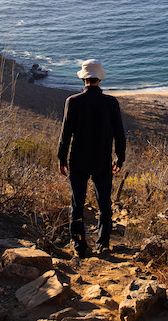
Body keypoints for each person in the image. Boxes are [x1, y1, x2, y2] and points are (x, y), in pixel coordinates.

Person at [57, 59, 126, 257]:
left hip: (78, 160)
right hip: (103, 160)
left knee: (76, 204)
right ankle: (103, 242)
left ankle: (79, 245)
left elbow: (65, 134)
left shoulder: (73, 102)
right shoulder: (111, 103)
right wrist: (119, 159)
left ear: (84, 78)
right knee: (104, 203)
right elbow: (119, 134)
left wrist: (61, 159)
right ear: (99, 79)